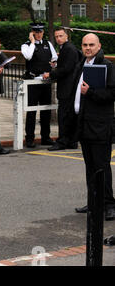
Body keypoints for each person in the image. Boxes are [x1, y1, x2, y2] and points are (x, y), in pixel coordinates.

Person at [71, 33, 115, 221]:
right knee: (90, 166)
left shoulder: (107, 66)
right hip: (84, 124)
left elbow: (112, 93)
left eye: (91, 45)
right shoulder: (82, 65)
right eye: (85, 45)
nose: (88, 48)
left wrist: (91, 92)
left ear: (99, 46)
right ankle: (94, 201)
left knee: (102, 166)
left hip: (100, 125)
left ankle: (109, 205)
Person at [43, 28, 80, 151]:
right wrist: (57, 65)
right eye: (56, 36)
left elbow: (67, 69)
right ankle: (71, 141)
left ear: (66, 36)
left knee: (64, 116)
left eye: (61, 36)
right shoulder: (66, 48)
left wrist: (51, 74)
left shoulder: (68, 49)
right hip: (69, 88)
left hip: (68, 88)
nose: (58, 38)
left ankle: (63, 141)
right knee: (69, 115)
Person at [21, 22, 58, 148]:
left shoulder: (48, 44)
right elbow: (28, 56)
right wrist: (32, 42)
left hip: (45, 81)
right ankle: (30, 138)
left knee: (46, 111)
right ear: (32, 32)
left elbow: (54, 59)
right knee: (31, 112)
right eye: (35, 32)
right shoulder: (26, 45)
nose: (38, 34)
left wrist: (53, 66)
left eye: (40, 32)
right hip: (33, 81)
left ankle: (45, 137)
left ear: (43, 32)